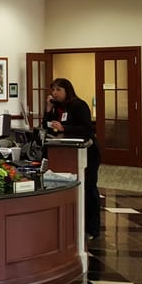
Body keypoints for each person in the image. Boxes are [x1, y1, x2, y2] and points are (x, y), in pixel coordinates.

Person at [43, 77, 101, 241]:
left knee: (88, 188)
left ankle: (92, 228)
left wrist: (64, 127)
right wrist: (48, 110)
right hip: (65, 153)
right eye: (53, 90)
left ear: (67, 91)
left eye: (58, 90)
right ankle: (74, 224)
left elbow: (86, 129)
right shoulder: (57, 107)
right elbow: (46, 127)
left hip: (87, 152)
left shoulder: (79, 105)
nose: (55, 93)